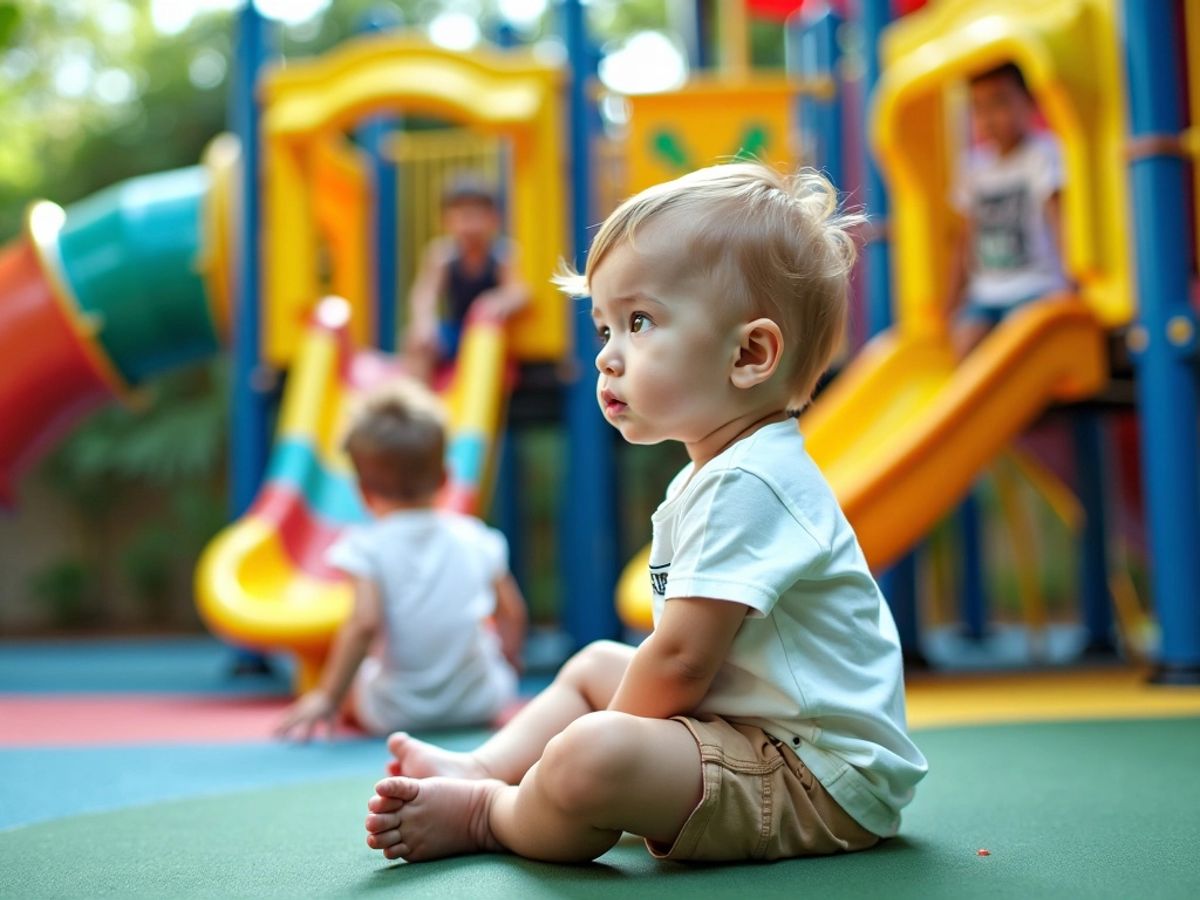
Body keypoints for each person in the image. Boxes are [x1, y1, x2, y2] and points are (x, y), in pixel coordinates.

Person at [363, 162, 928, 864]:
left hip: (817, 779)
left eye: (638, 322)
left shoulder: (751, 483)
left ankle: (494, 811)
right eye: (603, 328)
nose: (607, 357)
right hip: (756, 736)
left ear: (750, 353)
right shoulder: (714, 476)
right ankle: (485, 767)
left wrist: (589, 756)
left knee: (595, 751)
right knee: (600, 663)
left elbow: (685, 660)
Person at [276, 379, 526, 741]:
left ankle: (337, 703)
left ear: (361, 490)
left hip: (396, 713)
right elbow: (511, 612)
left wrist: (327, 696)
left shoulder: (365, 547)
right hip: (482, 701)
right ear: (445, 478)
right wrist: (510, 658)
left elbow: (363, 624)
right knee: (488, 662)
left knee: (351, 686)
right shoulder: (477, 537)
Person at [948, 61, 1069, 356]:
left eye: (999, 103)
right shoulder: (973, 168)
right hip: (986, 291)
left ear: (1028, 103)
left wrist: (1070, 284)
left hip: (1036, 288)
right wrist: (951, 301)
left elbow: (1058, 219)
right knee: (964, 342)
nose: (989, 118)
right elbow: (965, 238)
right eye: (979, 107)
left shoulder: (1042, 154)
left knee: (1017, 345)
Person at [404, 178, 529, 383]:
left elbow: (520, 292)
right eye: (462, 217)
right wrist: (424, 322)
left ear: (493, 219)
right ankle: (416, 398)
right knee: (417, 341)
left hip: (491, 336)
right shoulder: (442, 256)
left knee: (483, 337)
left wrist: (498, 300)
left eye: (477, 216)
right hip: (455, 332)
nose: (470, 225)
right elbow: (425, 293)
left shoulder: (502, 255)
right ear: (446, 221)